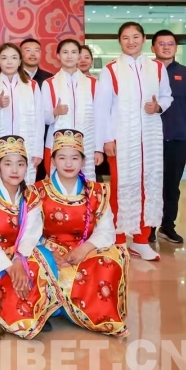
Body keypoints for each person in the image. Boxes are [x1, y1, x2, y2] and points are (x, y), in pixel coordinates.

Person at [34, 129, 129, 336]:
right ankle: (52, 307)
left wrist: (84, 249)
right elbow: (29, 231)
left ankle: (94, 314)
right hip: (50, 250)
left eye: (75, 158)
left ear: (83, 161)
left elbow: (107, 231)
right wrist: (49, 254)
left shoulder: (97, 191)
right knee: (36, 262)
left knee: (111, 259)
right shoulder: (38, 191)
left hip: (85, 249)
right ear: (53, 161)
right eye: (62, 158)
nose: (68, 163)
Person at [94, 21, 171, 261]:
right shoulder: (111, 70)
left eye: (135, 36)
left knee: (150, 185)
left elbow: (167, 96)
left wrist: (158, 106)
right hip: (122, 139)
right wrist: (105, 140)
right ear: (119, 41)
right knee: (121, 187)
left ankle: (141, 240)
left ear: (144, 39)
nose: (131, 41)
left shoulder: (157, 68)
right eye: (126, 37)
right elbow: (101, 109)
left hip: (150, 138)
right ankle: (117, 239)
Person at [0, 136, 58, 339]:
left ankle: (38, 309)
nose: (14, 170)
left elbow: (32, 234)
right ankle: (26, 313)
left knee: (43, 258)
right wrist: (9, 266)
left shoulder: (31, 196)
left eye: (20, 164)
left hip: (22, 255)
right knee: (11, 290)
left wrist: (19, 261)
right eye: (8, 164)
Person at [152, 30, 186, 245]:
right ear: (153, 47)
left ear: (175, 48)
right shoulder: (147, 71)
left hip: (177, 137)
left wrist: (177, 120)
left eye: (170, 43)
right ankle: (148, 227)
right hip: (150, 138)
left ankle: (167, 226)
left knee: (172, 185)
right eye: (161, 43)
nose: (166, 47)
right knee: (151, 184)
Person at [0, 43, 43, 185]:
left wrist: (38, 150)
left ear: (19, 61)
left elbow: (39, 120)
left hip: (26, 146)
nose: (9, 62)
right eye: (4, 58)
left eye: (14, 58)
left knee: (25, 187)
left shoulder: (32, 86)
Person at [42, 39, 99, 181]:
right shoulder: (49, 83)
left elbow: (100, 119)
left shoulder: (92, 83)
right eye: (65, 52)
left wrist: (98, 148)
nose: (69, 56)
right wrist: (55, 112)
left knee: (86, 183)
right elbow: (43, 118)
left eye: (73, 52)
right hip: (57, 142)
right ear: (58, 55)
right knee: (58, 183)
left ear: (79, 55)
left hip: (87, 143)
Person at [21, 38, 53, 182]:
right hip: (20, 136)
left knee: (38, 180)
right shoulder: (13, 78)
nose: (33, 54)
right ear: (20, 54)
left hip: (43, 137)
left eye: (37, 50)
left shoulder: (49, 79)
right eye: (28, 50)